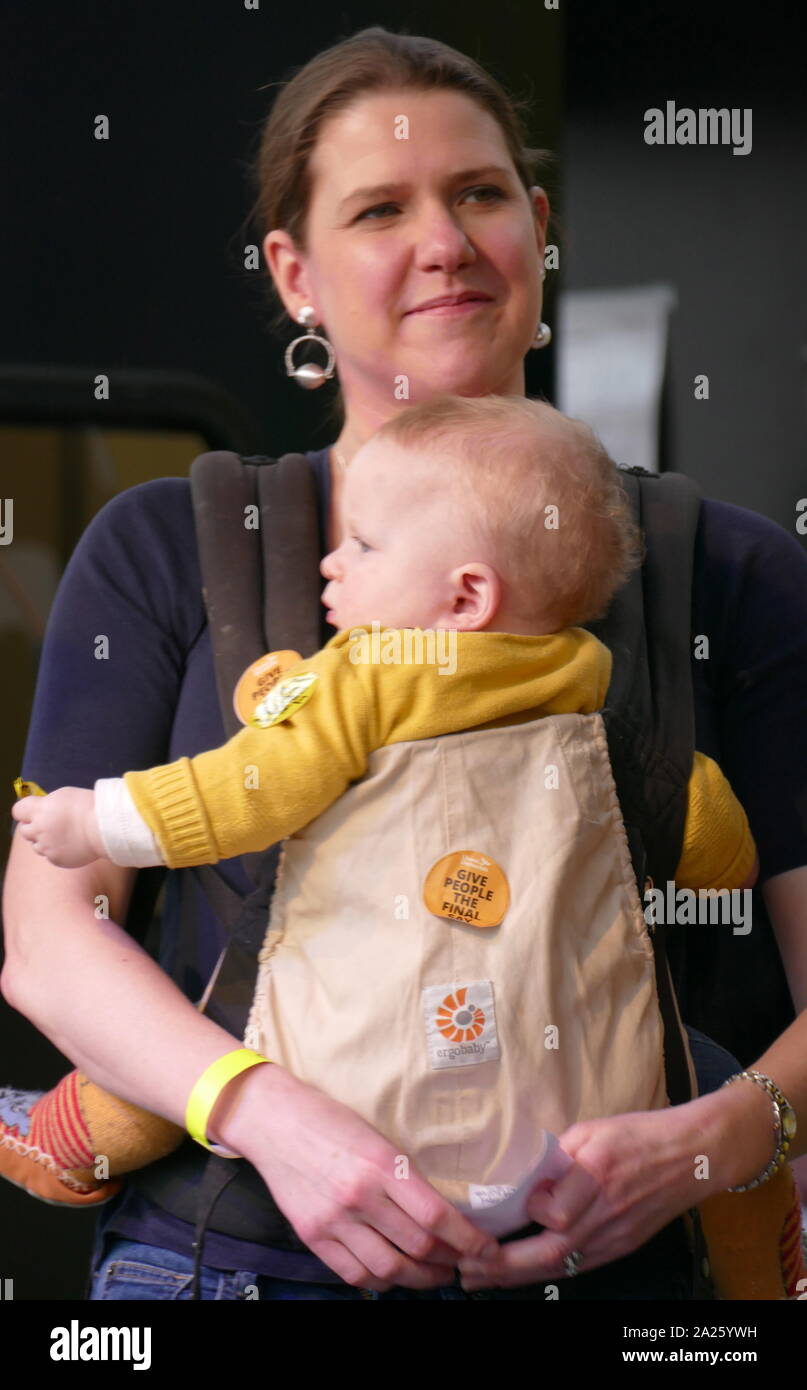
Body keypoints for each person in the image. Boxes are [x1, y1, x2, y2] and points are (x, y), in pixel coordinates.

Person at [2, 27, 806, 1302]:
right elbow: (48, 938)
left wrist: (715, 1139)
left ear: (536, 228)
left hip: (619, 1285)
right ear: (295, 272)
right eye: (381, 208)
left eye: (480, 194)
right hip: (229, 1258)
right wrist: (269, 1117)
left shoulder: (729, 569)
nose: (445, 240)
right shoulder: (173, 545)